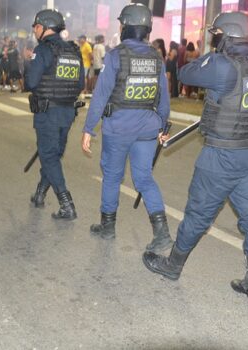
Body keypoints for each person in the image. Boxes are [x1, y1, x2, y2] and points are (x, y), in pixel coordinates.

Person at [142, 11, 248, 300]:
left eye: (215, 35)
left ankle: (172, 266)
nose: (213, 39)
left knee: (198, 215)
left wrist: (213, 53)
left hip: (220, 156)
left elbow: (185, 72)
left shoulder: (221, 64)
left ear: (225, 36)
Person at [81, 3, 173, 253]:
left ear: (127, 27)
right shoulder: (156, 57)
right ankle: (162, 232)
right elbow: (164, 98)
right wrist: (163, 125)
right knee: (144, 178)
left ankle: (108, 227)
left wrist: (89, 129)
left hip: (118, 128)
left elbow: (100, 95)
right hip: (147, 129)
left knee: (112, 176)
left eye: (122, 24)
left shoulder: (116, 55)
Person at [25, 9, 85, 220]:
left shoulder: (42, 50)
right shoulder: (74, 51)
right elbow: (80, 84)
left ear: (44, 27)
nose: (34, 30)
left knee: (49, 156)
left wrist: (28, 64)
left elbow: (31, 82)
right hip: (67, 112)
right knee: (53, 155)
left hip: (47, 112)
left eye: (36, 26)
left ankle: (66, 203)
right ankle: (41, 192)